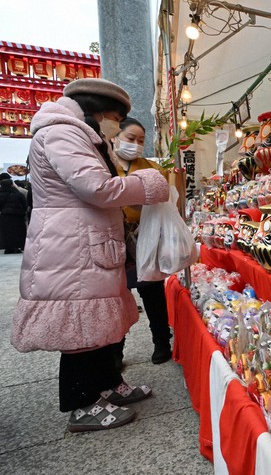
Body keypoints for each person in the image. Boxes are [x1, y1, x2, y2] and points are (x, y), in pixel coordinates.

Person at [11, 78, 170, 432]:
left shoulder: (84, 134)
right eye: (114, 116)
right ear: (95, 110)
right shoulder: (62, 133)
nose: (116, 124)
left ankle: (108, 384)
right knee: (79, 327)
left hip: (87, 242)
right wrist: (152, 184)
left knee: (99, 323)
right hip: (71, 245)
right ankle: (81, 403)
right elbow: (96, 187)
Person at [109, 117, 172, 366]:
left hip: (145, 236)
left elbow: (166, 198)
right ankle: (116, 352)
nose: (136, 145)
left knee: (152, 291)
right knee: (116, 296)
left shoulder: (150, 168)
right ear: (115, 137)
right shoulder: (105, 166)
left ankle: (161, 342)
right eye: (130, 139)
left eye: (141, 140)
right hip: (114, 238)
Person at [0, 172, 28, 254]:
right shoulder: (18, 193)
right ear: (11, 184)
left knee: (6, 233)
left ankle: (8, 248)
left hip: (5, 215)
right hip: (18, 216)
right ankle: (17, 247)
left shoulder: (0, 194)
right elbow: (25, 204)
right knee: (17, 232)